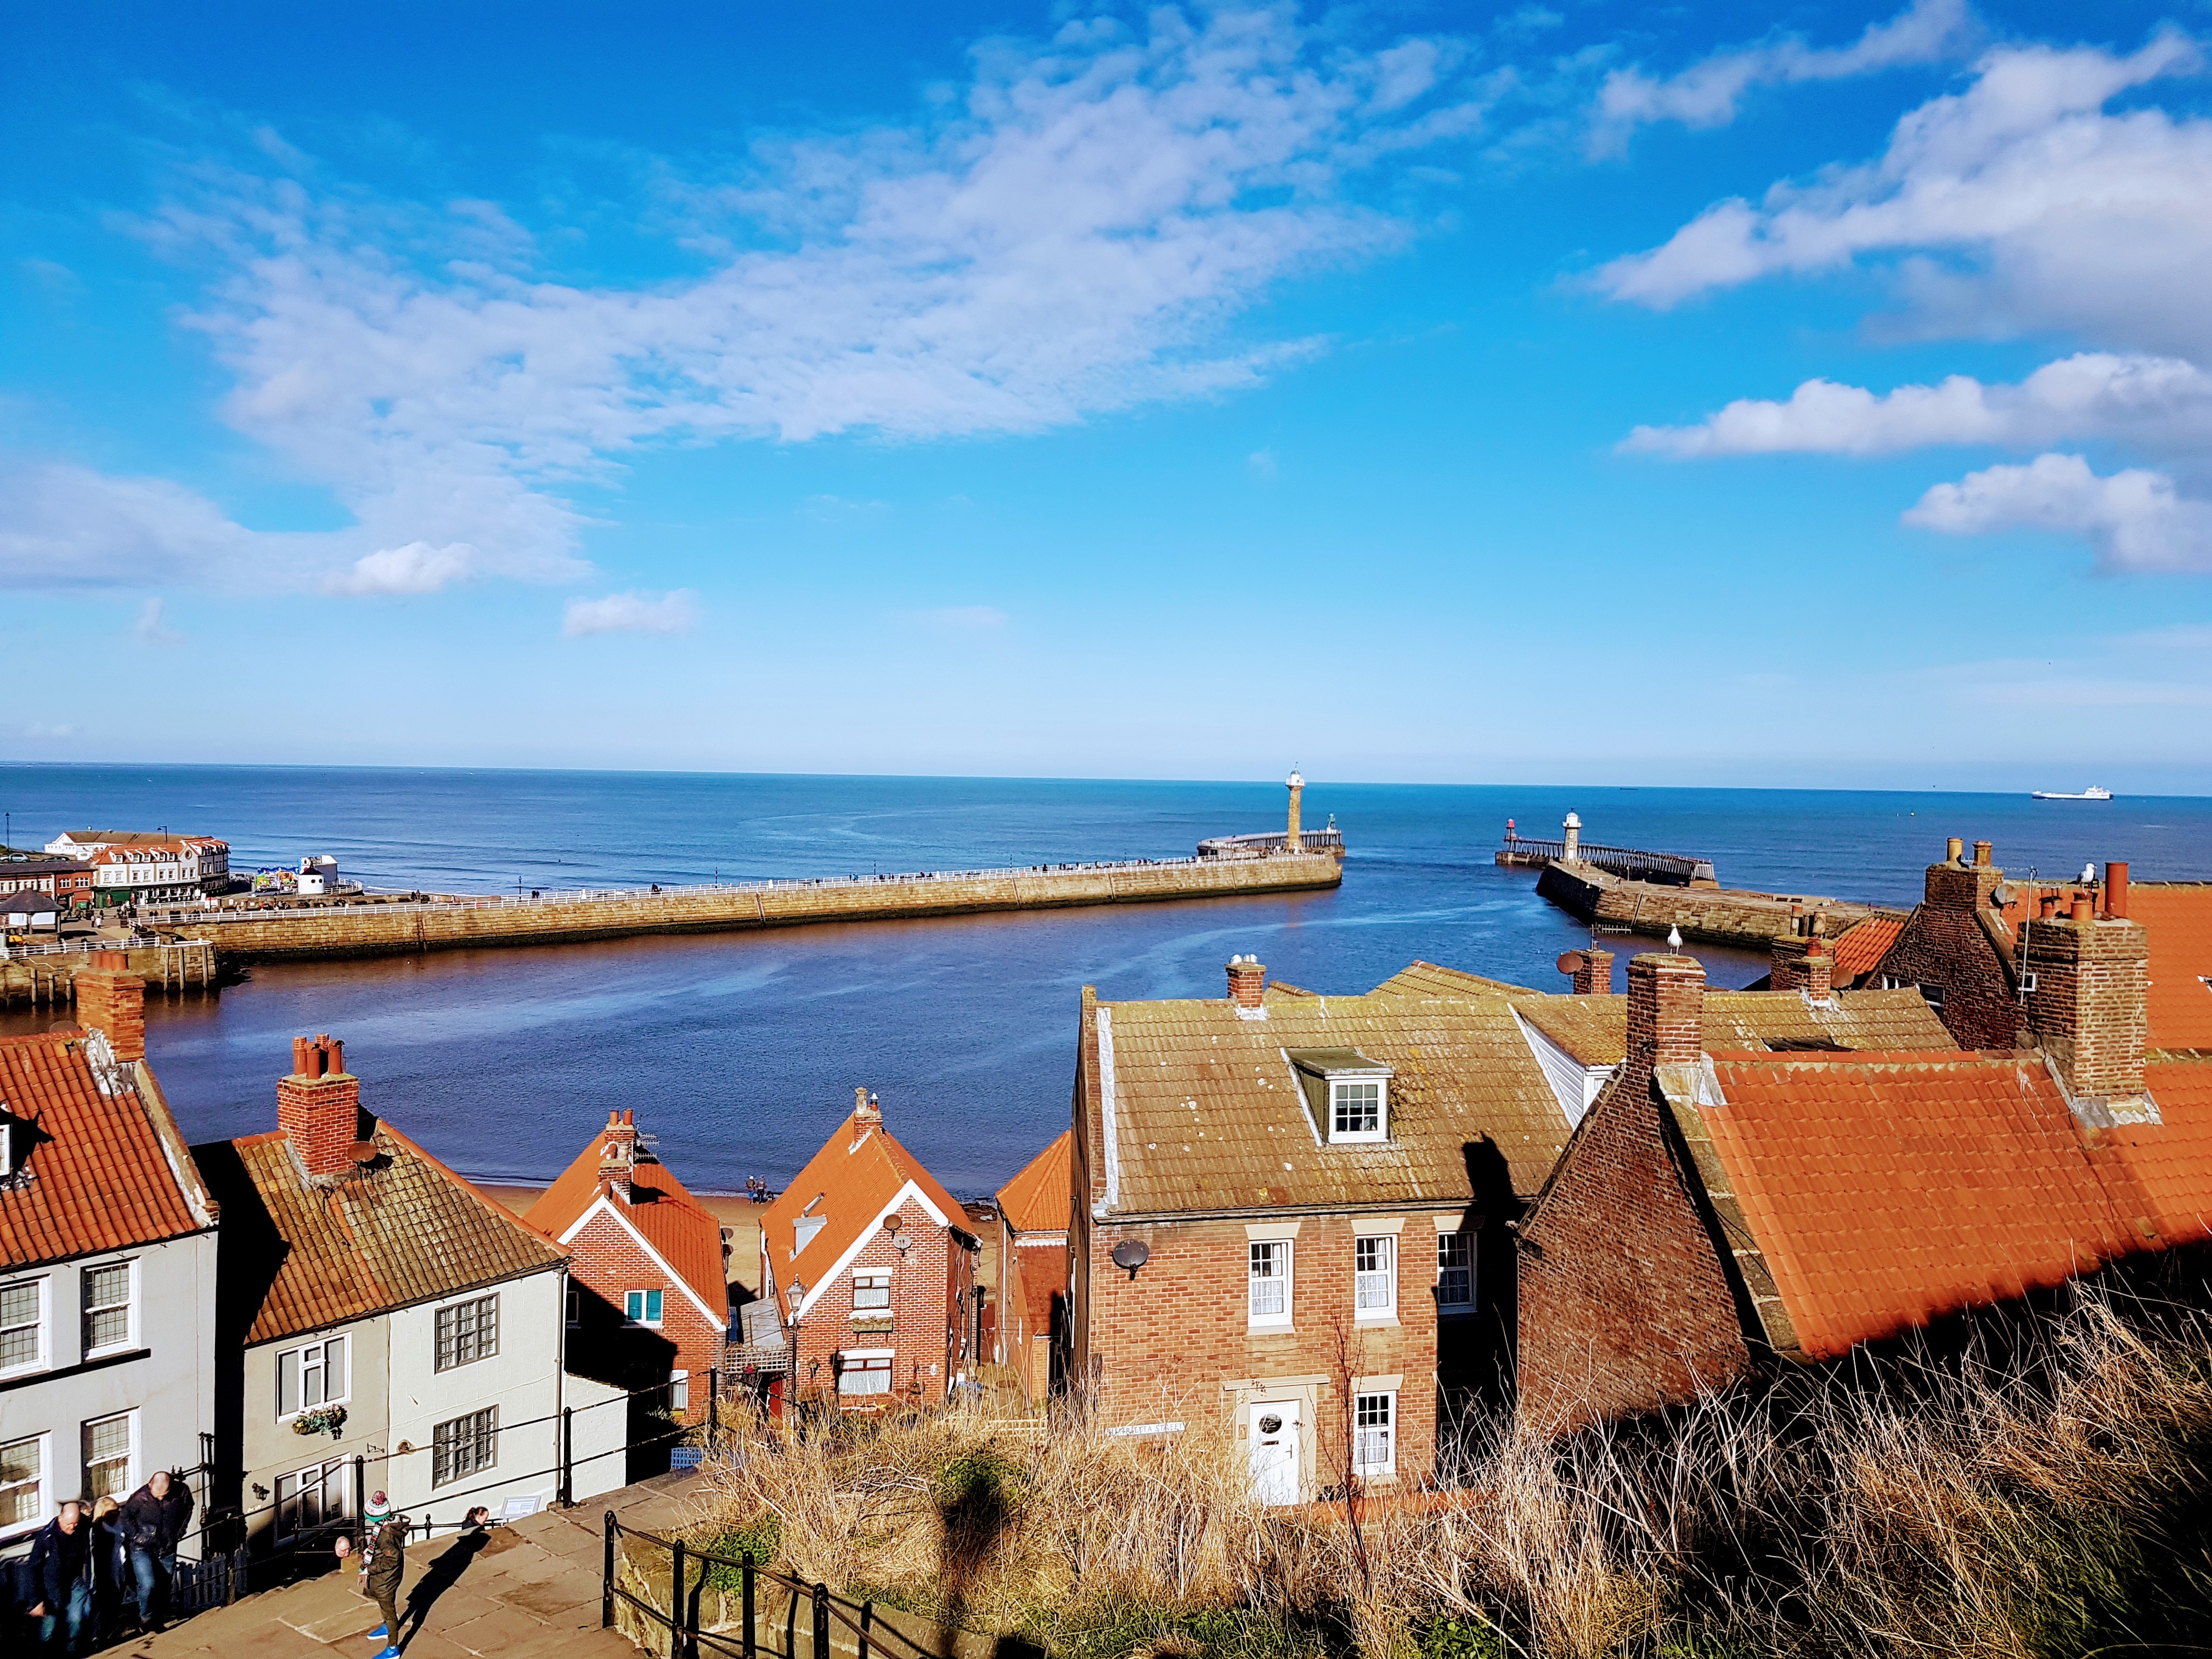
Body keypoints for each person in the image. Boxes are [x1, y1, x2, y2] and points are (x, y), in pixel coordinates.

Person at [119, 1469, 193, 1632]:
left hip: (167, 1547)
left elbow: (189, 1509)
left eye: (164, 1495)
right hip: (142, 1548)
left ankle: (158, 1621)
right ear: (150, 1485)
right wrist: (136, 1536)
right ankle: (146, 1617)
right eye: (157, 1494)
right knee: (148, 1584)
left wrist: (179, 1532)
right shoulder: (139, 1498)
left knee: (165, 1586)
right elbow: (125, 1517)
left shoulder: (182, 1492)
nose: (160, 1498)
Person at [26, 1498, 94, 1654]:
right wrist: (35, 1601)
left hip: (75, 1580)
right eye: (69, 1524)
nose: (73, 1527)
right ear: (60, 1518)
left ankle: (72, 1651)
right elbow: (33, 1568)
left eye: (76, 1523)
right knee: (49, 1625)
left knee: (76, 1619)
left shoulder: (82, 1525)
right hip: (52, 1586)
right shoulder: (46, 1537)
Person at [362, 1515, 407, 1659]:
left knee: (389, 1610)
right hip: (387, 1579)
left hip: (386, 1581)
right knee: (384, 1605)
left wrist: (370, 1569)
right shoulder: (384, 1531)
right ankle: (387, 1625)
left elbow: (393, 1558)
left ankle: (393, 1649)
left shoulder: (385, 1537)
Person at [88, 1495, 131, 1641]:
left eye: (117, 1511)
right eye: (111, 1512)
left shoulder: (121, 1525)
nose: (116, 1514)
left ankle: (110, 1630)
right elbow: (98, 1555)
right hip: (105, 1570)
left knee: (118, 1597)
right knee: (104, 1602)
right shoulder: (98, 1530)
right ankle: (98, 1634)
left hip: (120, 1565)